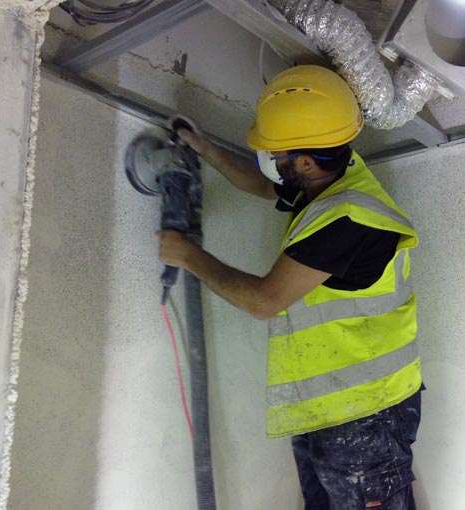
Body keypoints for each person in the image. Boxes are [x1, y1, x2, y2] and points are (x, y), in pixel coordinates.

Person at [158, 65, 423, 510]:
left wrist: (186, 254)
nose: (270, 160)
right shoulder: (334, 174)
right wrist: (202, 148)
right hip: (335, 406)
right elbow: (265, 185)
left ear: (304, 162)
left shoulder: (347, 218)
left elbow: (264, 300)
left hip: (365, 414)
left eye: (275, 153)